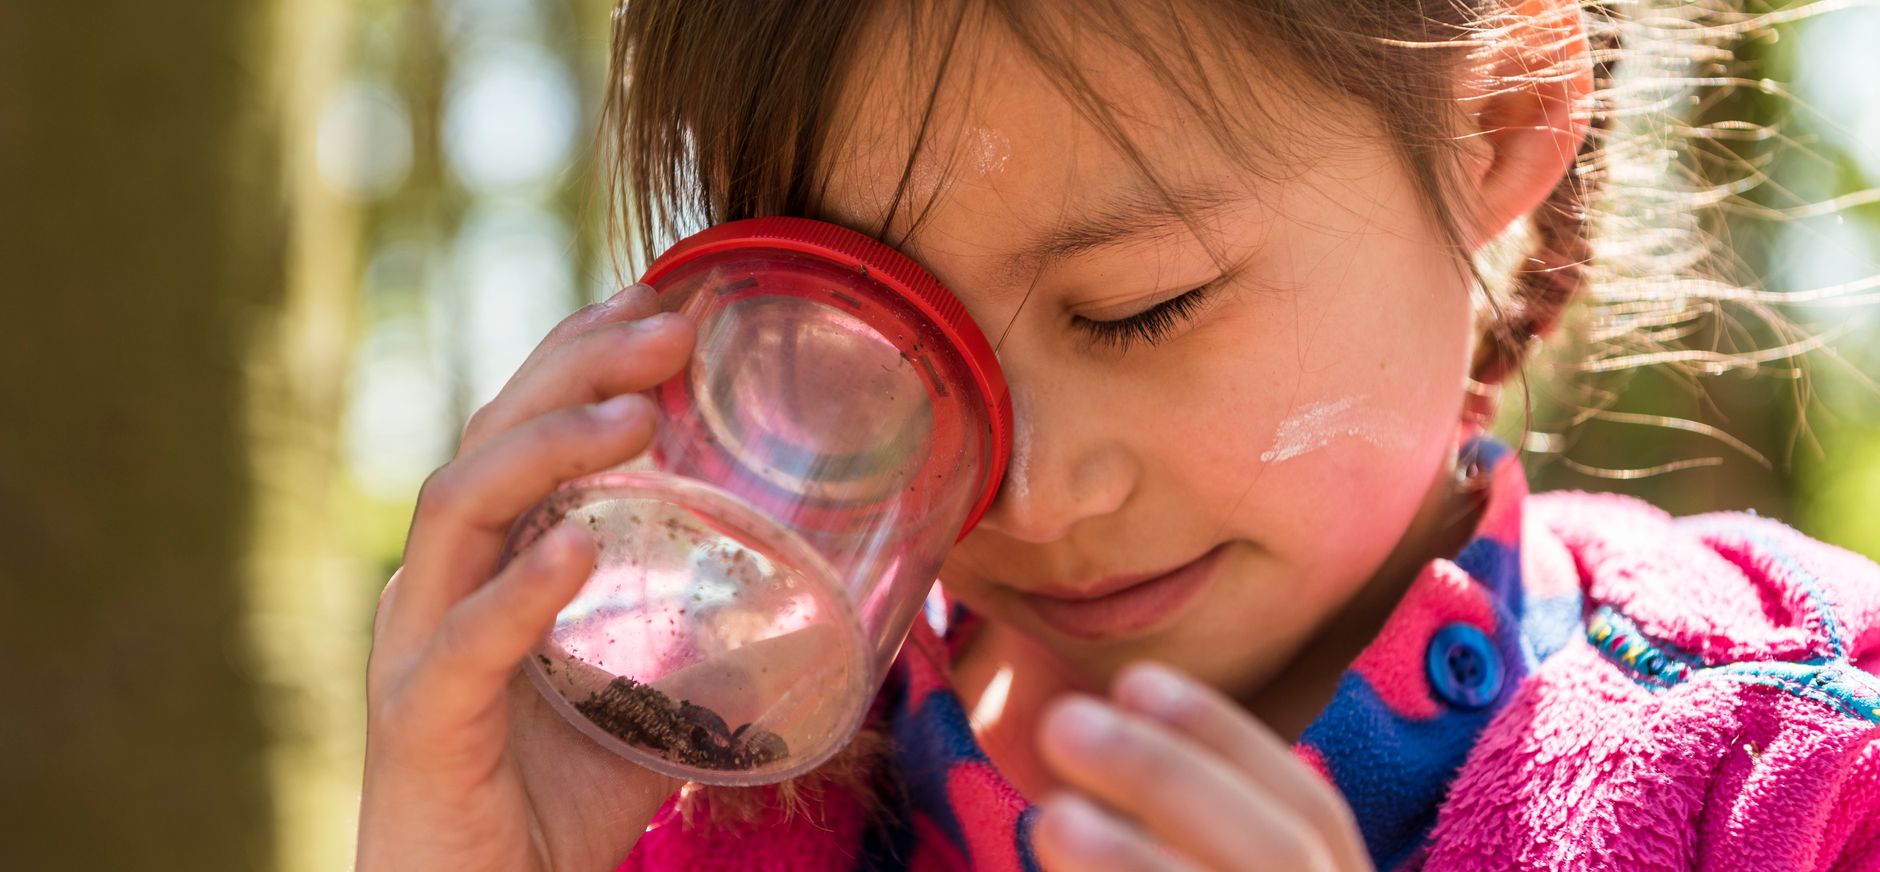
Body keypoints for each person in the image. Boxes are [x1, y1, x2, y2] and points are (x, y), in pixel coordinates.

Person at [355, 0, 1880, 869]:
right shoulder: (720, 826)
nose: (1024, 486)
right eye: (888, 353)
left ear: (1493, 131)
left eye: (1140, 308)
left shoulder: (1796, 775)